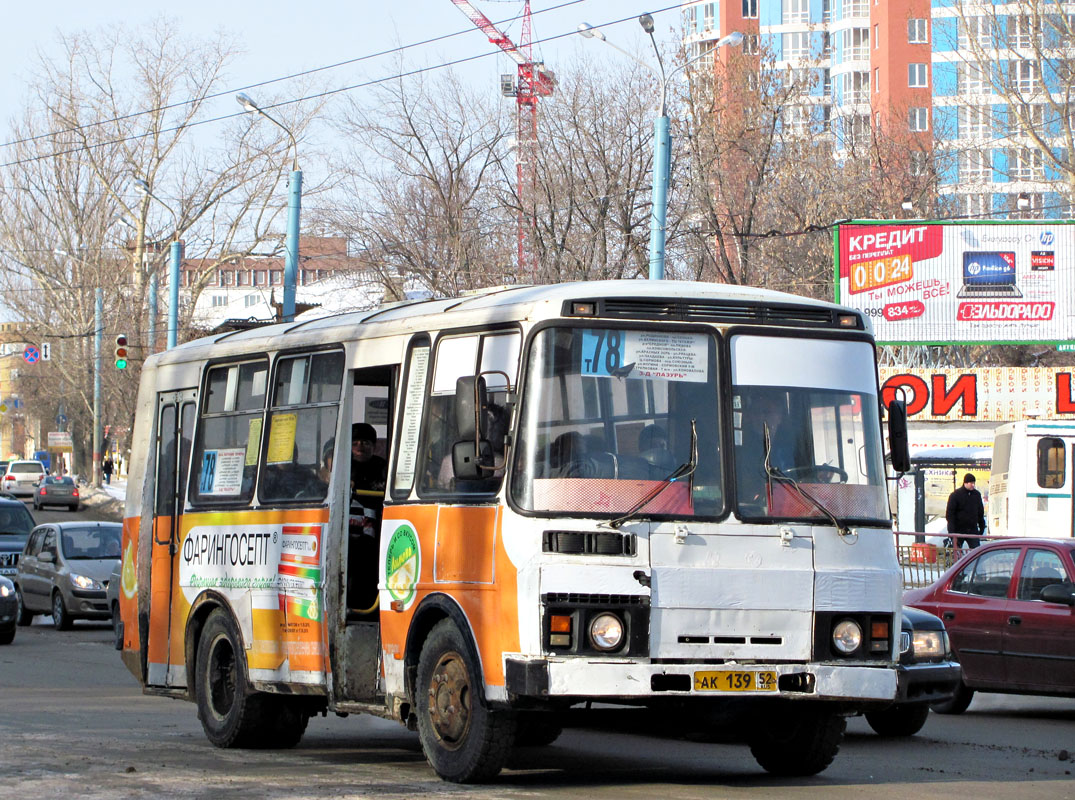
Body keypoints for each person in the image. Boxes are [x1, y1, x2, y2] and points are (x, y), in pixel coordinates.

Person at [946, 473, 986, 549]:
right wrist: (951, 531)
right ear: (965, 483)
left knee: (976, 551)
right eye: (971, 483)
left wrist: (981, 526)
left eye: (974, 483)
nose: (973, 485)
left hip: (972, 529)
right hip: (958, 529)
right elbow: (950, 514)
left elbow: (980, 512)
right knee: (956, 551)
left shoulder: (977, 495)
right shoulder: (955, 495)